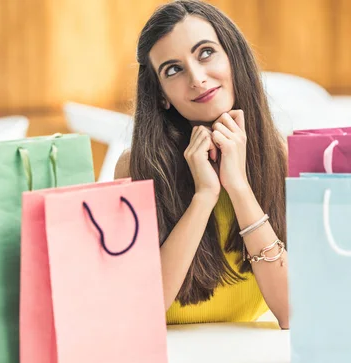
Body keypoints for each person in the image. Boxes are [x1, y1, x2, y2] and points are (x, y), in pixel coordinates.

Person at [115, 0, 289, 328]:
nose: (196, 78)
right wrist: (204, 195)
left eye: (206, 52)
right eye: (173, 69)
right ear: (162, 95)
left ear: (233, 58)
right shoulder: (135, 169)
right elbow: (143, 313)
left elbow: (292, 311)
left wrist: (238, 186)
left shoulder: (279, 155)